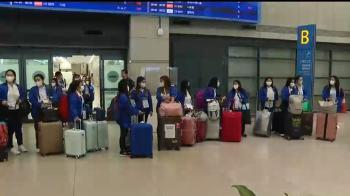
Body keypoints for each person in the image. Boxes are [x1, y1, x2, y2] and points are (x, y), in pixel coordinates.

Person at [0, 69, 27, 155]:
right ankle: (10, 146)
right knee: (10, 129)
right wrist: (2, 101)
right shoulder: (2, 87)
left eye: (11, 75)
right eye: (8, 75)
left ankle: (20, 144)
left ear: (14, 76)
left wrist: (20, 100)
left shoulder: (18, 86)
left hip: (17, 110)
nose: (9, 76)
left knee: (19, 127)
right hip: (7, 110)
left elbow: (23, 95)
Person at [117, 79, 141, 156]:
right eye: (127, 85)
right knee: (123, 133)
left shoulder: (122, 95)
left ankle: (124, 148)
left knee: (124, 132)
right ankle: (122, 150)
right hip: (124, 117)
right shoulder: (123, 96)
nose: (128, 87)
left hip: (124, 117)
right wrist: (137, 112)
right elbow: (128, 107)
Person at [29, 73, 52, 149]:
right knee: (38, 128)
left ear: (42, 80)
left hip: (47, 110)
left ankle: (48, 143)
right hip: (36, 111)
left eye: (39, 80)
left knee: (47, 127)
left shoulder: (48, 88)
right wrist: (40, 105)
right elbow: (32, 100)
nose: (37, 81)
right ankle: (39, 145)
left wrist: (50, 101)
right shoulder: (33, 89)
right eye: (36, 80)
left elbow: (53, 96)